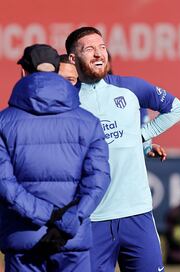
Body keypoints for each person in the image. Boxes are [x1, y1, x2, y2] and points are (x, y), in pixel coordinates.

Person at [65, 26, 180, 272]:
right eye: (89, 49)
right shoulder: (66, 100)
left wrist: (142, 137)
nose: (99, 54)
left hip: (137, 214)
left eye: (101, 47)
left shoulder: (129, 87)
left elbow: (177, 109)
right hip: (93, 218)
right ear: (72, 59)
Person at [0, 44, 111, 271]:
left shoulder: (3, 122)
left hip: (24, 240)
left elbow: (5, 184)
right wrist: (68, 219)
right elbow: (98, 179)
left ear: (23, 72)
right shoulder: (88, 122)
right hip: (71, 238)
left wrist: (46, 214)